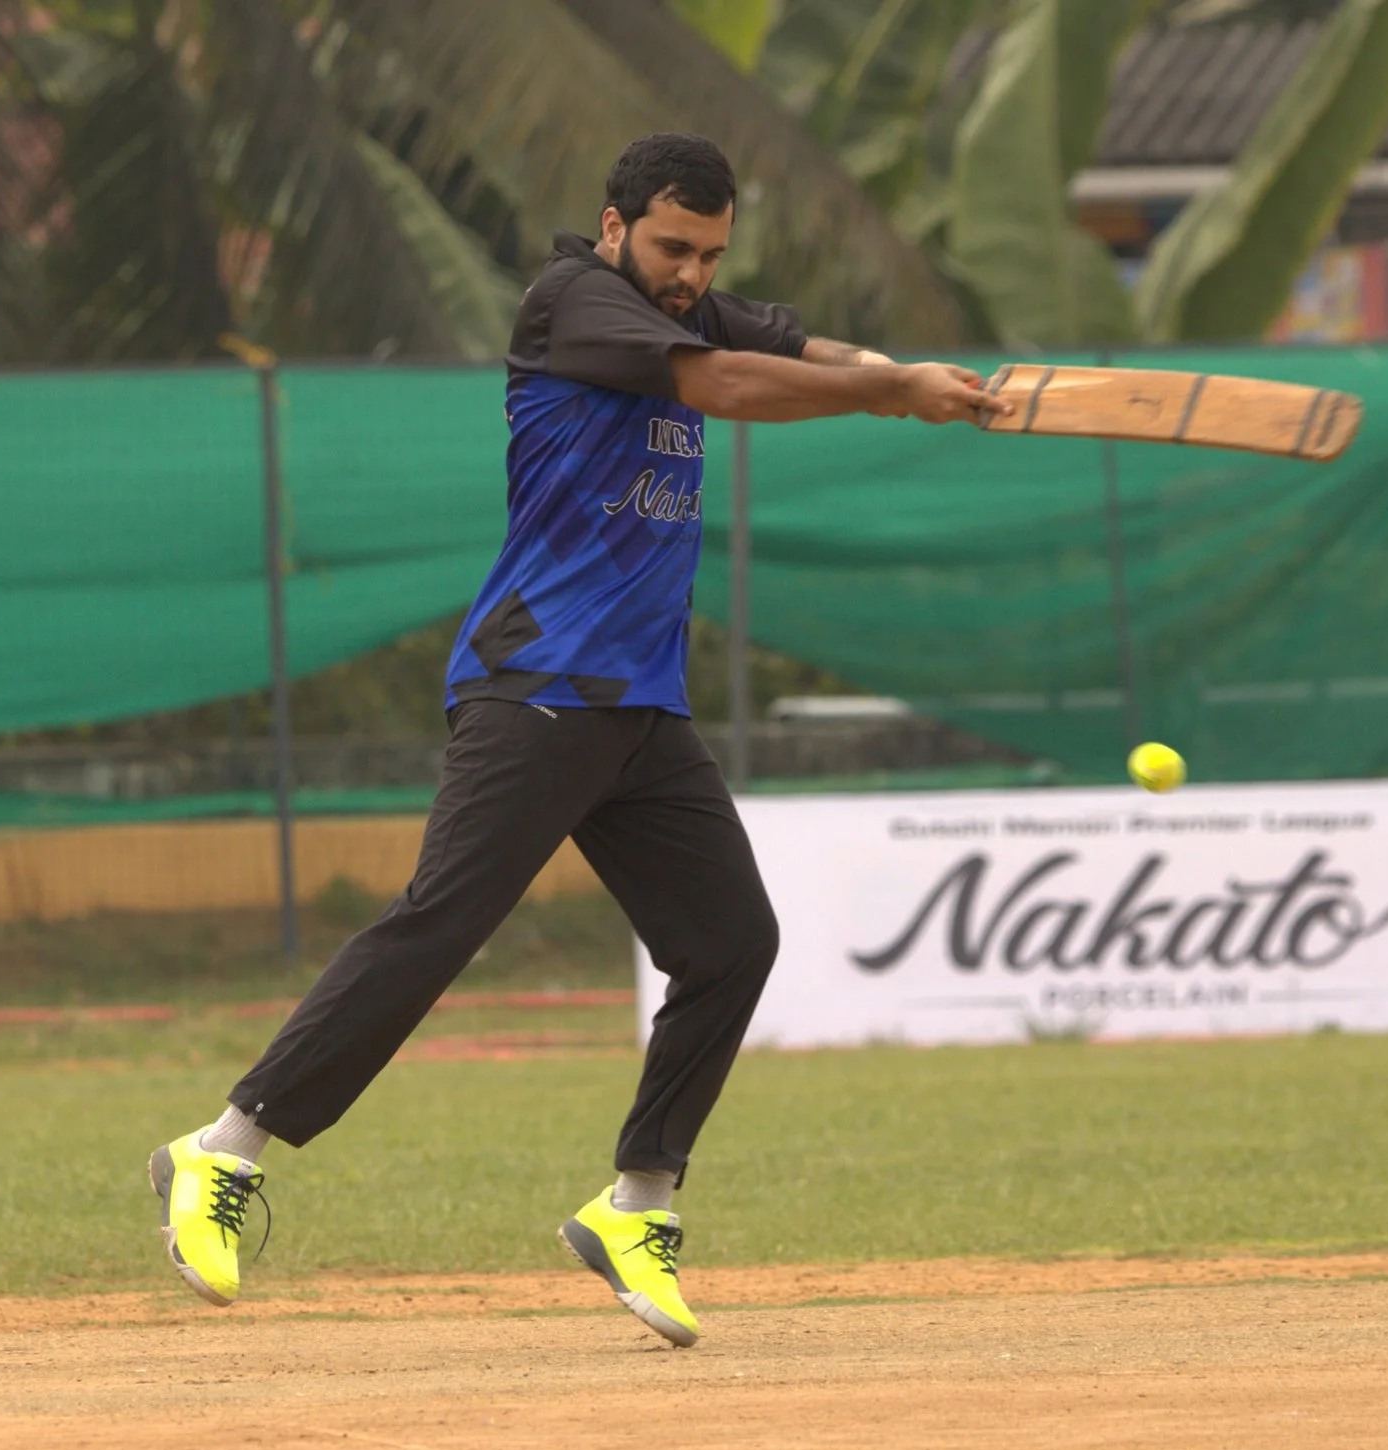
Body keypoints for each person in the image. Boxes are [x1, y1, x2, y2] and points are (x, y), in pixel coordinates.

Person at [149, 132, 1006, 1347]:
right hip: (535, 682)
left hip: (638, 707)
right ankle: (222, 1151)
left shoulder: (693, 302)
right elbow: (725, 385)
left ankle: (634, 1203)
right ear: (613, 225)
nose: (687, 271)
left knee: (730, 943)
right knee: (442, 920)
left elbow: (799, 348)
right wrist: (885, 392)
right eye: (669, 246)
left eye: (708, 253)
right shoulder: (576, 303)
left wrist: (924, 376)